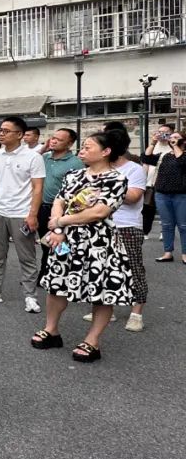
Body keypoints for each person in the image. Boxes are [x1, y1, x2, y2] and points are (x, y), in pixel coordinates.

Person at [31, 132, 134, 362]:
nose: (82, 151)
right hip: (65, 240)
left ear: (106, 152)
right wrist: (58, 229)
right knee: (56, 285)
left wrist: (60, 222)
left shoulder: (116, 179)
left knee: (102, 292)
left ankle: (92, 340)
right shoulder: (74, 174)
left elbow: (99, 212)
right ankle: (51, 330)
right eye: (83, 147)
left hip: (99, 243)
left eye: (88, 147)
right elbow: (59, 200)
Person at [0, 116, 45, 312]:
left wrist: (32, 214)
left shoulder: (33, 157)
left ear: (19, 134)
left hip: (21, 213)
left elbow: (38, 188)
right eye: (0, 130)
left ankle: (30, 296)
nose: (1, 134)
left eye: (6, 131)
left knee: (27, 257)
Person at [95, 126, 147, 332]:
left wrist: (105, 189)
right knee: (103, 269)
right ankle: (108, 309)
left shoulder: (134, 169)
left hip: (127, 225)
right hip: (100, 223)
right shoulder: (99, 168)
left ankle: (136, 313)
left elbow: (134, 196)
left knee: (133, 268)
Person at [36, 129, 83, 280]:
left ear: (69, 144)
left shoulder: (76, 163)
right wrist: (43, 149)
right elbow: (26, 163)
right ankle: (47, 273)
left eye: (59, 140)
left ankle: (61, 274)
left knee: (60, 244)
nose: (54, 141)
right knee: (46, 243)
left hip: (61, 210)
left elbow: (79, 191)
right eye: (53, 138)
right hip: (42, 207)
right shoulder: (44, 157)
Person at [142, 128, 186, 263]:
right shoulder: (164, 155)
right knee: (166, 225)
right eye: (171, 137)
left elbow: (182, 162)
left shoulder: (184, 155)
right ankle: (168, 253)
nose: (172, 139)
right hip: (162, 194)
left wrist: (175, 146)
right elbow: (146, 158)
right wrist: (153, 143)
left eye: (176, 137)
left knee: (183, 225)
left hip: (181, 195)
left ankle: (185, 254)